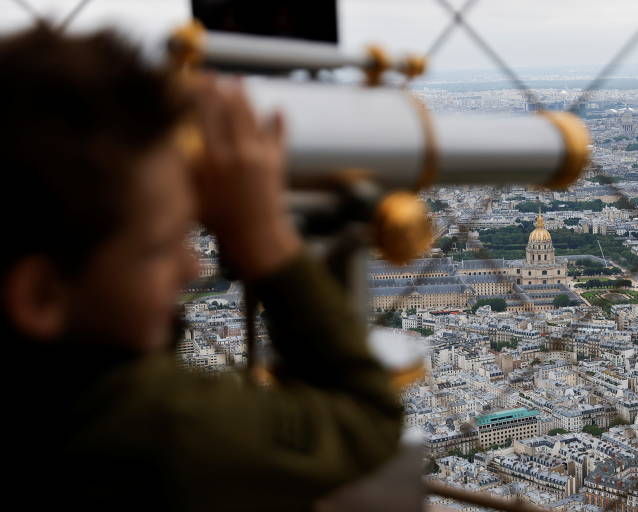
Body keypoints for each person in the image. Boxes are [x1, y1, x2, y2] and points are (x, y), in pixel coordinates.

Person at [1, 24, 402, 510]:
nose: (192, 267)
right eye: (161, 247)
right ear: (42, 296)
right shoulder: (149, 430)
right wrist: (263, 236)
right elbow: (365, 419)